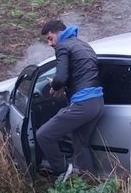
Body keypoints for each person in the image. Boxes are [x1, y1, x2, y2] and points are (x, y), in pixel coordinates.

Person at [36, 19, 104, 178]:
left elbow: (60, 76)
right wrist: (64, 86)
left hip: (84, 103)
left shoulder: (63, 47)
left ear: (58, 33)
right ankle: (89, 182)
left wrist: (56, 85)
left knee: (43, 135)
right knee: (81, 144)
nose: (49, 44)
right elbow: (82, 73)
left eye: (50, 38)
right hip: (97, 103)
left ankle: (62, 170)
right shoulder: (83, 44)